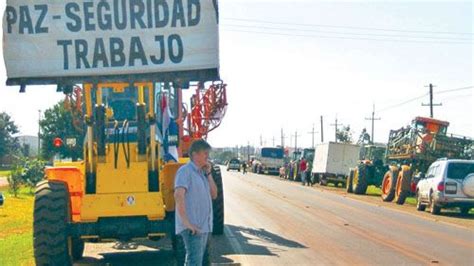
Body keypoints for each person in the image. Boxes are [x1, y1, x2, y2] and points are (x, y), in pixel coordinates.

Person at [174, 139, 218, 266]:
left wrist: (209, 173)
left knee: (196, 262)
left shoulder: (202, 174)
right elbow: (178, 196)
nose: (207, 156)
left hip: (203, 227)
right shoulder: (185, 171)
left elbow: (214, 195)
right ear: (194, 154)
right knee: (194, 262)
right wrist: (187, 223)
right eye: (205, 153)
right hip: (193, 228)